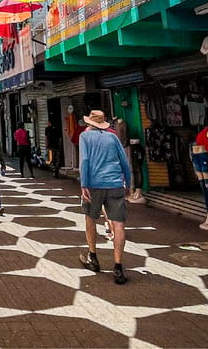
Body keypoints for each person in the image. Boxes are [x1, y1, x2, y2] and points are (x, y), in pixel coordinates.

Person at [78, 110, 133, 285]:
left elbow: (84, 160)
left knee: (90, 219)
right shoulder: (113, 137)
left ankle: (93, 257)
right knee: (118, 225)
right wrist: (128, 183)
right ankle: (118, 267)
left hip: (94, 185)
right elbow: (124, 162)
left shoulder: (85, 137)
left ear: (90, 123)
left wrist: (84, 184)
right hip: (115, 183)